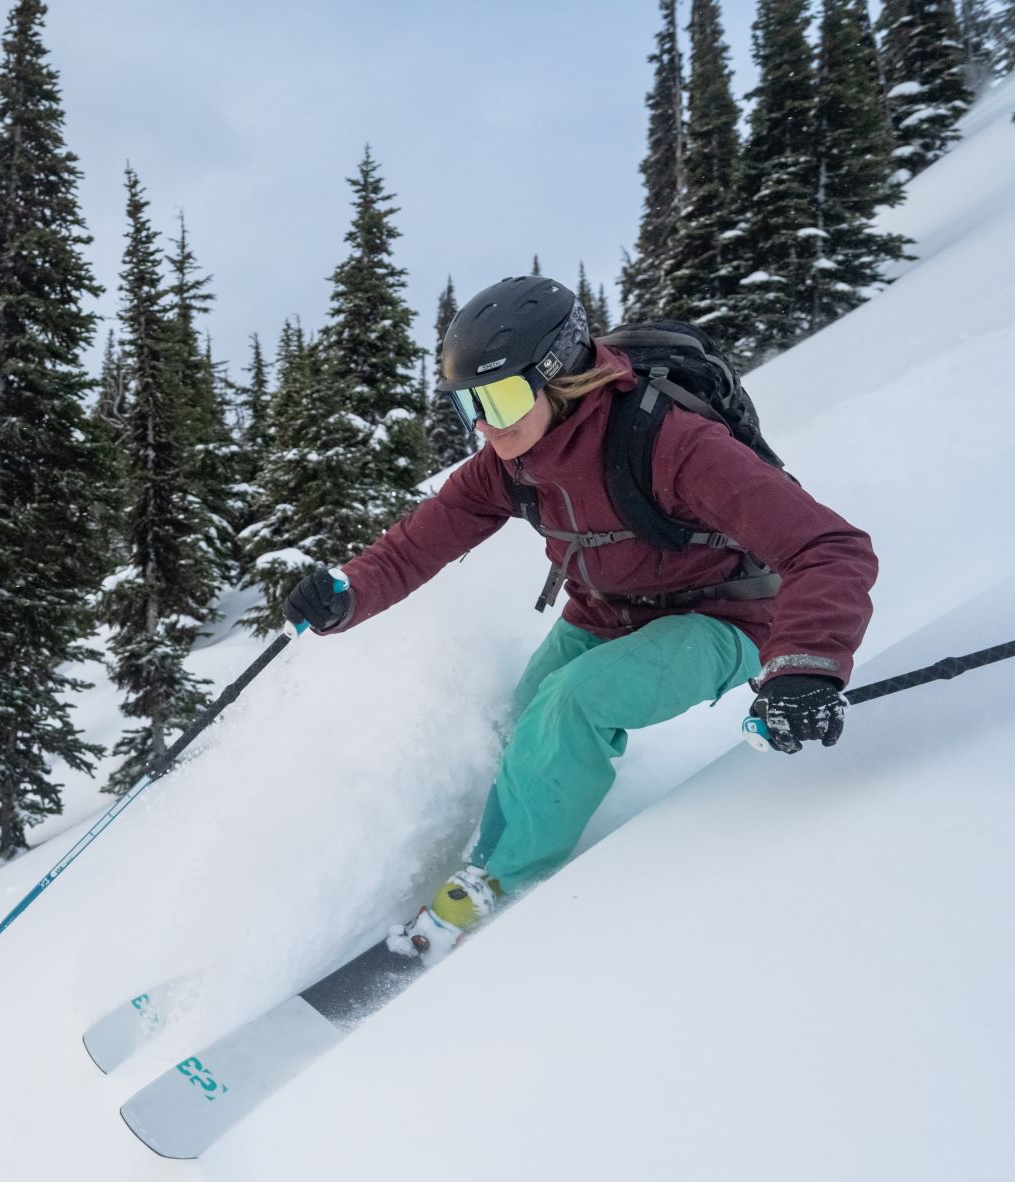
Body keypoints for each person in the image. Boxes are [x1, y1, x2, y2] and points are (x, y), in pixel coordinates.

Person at [283, 275, 877, 961]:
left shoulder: (671, 444)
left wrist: (805, 666)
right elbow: (420, 542)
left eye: (501, 397)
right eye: (467, 405)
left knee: (572, 704)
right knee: (525, 710)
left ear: (561, 377)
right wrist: (345, 593)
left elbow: (830, 548)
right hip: (608, 610)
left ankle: (500, 883)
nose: (486, 423)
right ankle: (501, 836)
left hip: (726, 617)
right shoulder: (508, 463)